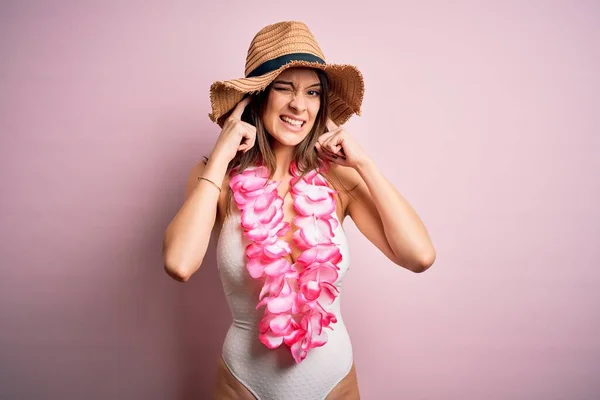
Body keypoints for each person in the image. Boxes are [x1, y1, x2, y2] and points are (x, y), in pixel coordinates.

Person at [163, 21, 436, 400]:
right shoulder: (215, 179)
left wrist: (365, 165)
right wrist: (222, 156)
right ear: (257, 97)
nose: (299, 105)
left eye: (312, 92)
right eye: (284, 88)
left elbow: (419, 256)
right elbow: (179, 263)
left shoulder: (339, 180)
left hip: (334, 386)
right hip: (242, 386)